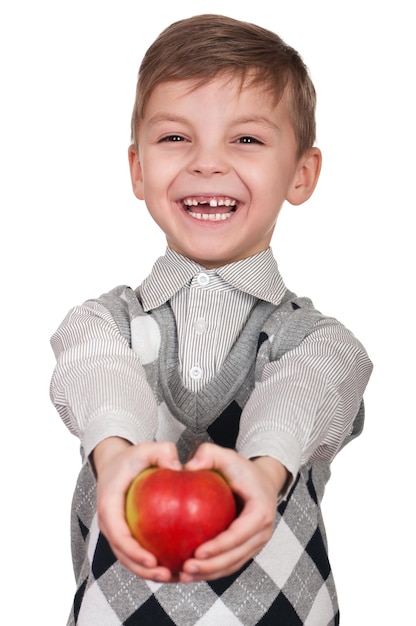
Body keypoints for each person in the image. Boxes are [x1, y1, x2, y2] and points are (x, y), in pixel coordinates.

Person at [50, 13, 372, 626]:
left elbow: (304, 391)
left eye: (245, 140)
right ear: (138, 170)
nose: (207, 163)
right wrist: (118, 457)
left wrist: (263, 468)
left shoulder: (320, 344)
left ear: (302, 174)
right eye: (176, 138)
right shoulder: (100, 326)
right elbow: (97, 378)